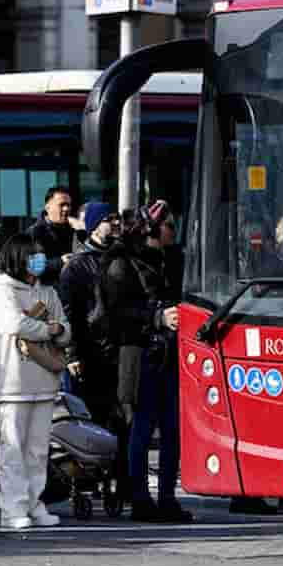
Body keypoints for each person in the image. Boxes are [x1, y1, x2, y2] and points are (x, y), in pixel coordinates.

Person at [103, 199, 191, 523]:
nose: (174, 232)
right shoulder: (121, 262)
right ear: (154, 229)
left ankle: (167, 497)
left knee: (172, 430)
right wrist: (156, 317)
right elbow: (114, 313)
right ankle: (139, 498)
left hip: (170, 354)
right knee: (140, 429)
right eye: (169, 225)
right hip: (139, 355)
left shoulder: (175, 259)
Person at [0, 233, 71, 529]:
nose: (38, 259)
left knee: (37, 450)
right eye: (32, 254)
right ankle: (12, 509)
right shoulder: (3, 290)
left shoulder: (47, 291)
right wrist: (50, 329)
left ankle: (35, 503)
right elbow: (12, 323)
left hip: (45, 381)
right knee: (13, 448)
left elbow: (65, 327)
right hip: (14, 383)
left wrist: (55, 329)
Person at [57, 202, 127, 497]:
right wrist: (72, 353)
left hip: (121, 349)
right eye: (109, 219)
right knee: (93, 417)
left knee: (122, 417)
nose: (115, 224)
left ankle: (119, 477)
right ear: (95, 225)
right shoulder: (78, 265)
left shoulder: (123, 257)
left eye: (116, 219)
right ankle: (90, 479)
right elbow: (69, 312)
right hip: (92, 351)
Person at [29, 186, 75, 285]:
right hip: (46, 293)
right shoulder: (35, 233)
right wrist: (60, 261)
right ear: (47, 207)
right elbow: (31, 267)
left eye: (68, 205)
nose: (66, 209)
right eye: (62, 205)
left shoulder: (73, 230)